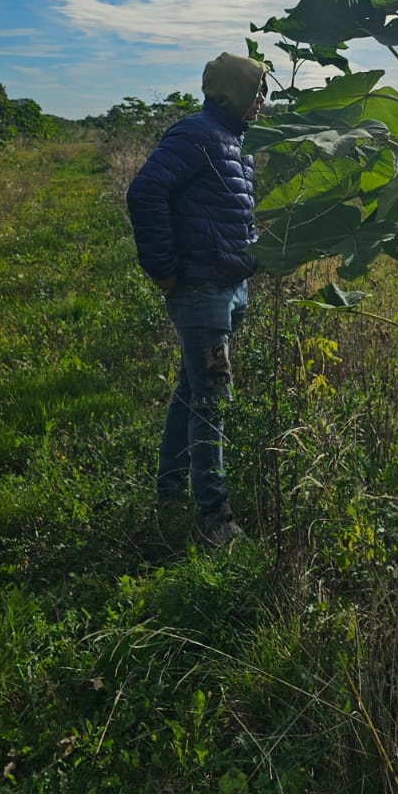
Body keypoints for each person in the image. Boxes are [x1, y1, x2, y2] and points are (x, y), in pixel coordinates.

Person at [127, 52, 268, 547]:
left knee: (193, 390)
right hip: (201, 288)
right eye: (256, 92)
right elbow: (145, 192)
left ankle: (170, 490)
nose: (262, 102)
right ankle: (216, 519)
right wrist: (163, 270)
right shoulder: (198, 134)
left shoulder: (233, 139)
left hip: (228, 283)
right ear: (233, 94)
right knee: (214, 398)